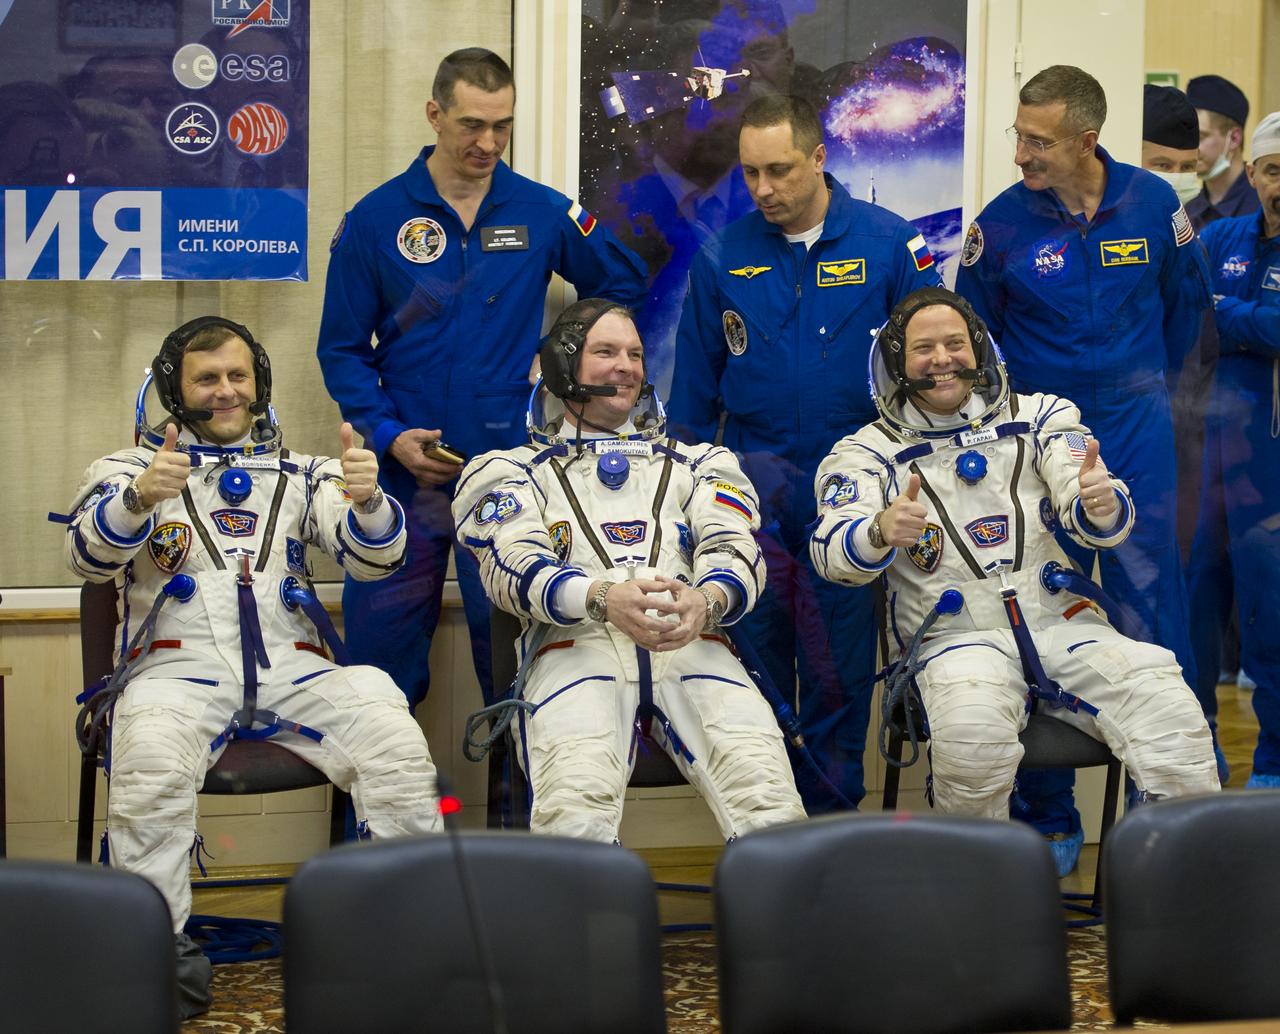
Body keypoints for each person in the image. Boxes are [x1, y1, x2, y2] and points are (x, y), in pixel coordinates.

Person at [61, 317, 442, 1018]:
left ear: (259, 382)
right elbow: (87, 560)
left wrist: (369, 502)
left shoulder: (306, 473)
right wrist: (141, 497)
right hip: (174, 670)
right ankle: (154, 953)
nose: (226, 392)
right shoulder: (125, 469)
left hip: (294, 662)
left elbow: (374, 559)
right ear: (176, 388)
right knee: (148, 760)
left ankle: (401, 942)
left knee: (389, 727)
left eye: (238, 376)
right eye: (207, 378)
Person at [809, 287, 1220, 823]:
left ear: (979, 349)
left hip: (1063, 624)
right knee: (973, 742)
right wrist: (879, 531)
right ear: (896, 362)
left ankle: (1184, 887)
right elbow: (830, 554)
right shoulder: (866, 454)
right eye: (923, 348)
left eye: (955, 343)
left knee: (1168, 708)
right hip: (953, 640)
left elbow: (1087, 491)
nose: (941, 360)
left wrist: (1097, 502)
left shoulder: (1042, 418)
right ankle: (985, 898)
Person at [316, 48, 646, 713]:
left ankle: (523, 816)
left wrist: (560, 351)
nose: (488, 142)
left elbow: (621, 283)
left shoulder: (543, 211)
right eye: (471, 124)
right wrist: (388, 435)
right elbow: (342, 350)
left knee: (518, 670)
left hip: (509, 476)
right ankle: (375, 821)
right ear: (435, 114)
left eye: (503, 126)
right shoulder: (376, 221)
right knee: (377, 678)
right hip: (404, 479)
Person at [955, 65, 1211, 872]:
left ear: (1085, 140)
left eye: (1039, 140)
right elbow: (975, 339)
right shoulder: (999, 225)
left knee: (1149, 605)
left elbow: (1187, 310)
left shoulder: (1155, 203)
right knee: (1041, 610)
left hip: (1135, 425)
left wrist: (1147, 394)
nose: (1022, 152)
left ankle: (1160, 810)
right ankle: (1049, 814)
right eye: (1019, 135)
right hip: (1036, 437)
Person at [668, 93, 942, 812]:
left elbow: (936, 378)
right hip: (752, 492)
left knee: (837, 673)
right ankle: (765, 835)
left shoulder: (889, 245)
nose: (764, 190)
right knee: (751, 668)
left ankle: (830, 833)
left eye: (780, 171)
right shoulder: (725, 255)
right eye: (751, 174)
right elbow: (695, 398)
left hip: (849, 495)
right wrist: (685, 513)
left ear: (820, 159)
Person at [452, 299, 806, 841]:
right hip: (575, 648)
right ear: (563, 367)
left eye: (636, 354)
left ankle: (774, 924)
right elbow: (511, 566)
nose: (627, 366)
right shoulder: (507, 470)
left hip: (690, 641)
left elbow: (737, 548)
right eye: (606, 352)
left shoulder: (701, 463)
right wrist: (601, 599)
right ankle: (590, 925)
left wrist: (706, 601)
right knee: (576, 812)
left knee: (768, 801)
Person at [1185, 112, 1280, 788]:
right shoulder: (1218, 237)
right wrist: (1246, 322)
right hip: (1200, 458)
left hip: (1269, 467)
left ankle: (1273, 763)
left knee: (1270, 620)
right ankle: (1196, 757)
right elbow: (1188, 310)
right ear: (1254, 173)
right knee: (1192, 617)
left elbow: (1223, 317)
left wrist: (1227, 316)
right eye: (1274, 171)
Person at [1186, 74, 1260, 230]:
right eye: (1187, 137)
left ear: (1234, 138)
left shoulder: (1265, 205)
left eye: (1200, 136)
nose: (1190, 147)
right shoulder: (1188, 211)